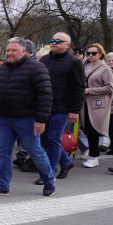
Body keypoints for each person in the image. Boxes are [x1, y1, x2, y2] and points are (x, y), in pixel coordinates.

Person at [0, 38, 56, 196]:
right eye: (8, 50)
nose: (9, 53)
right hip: (5, 119)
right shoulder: (2, 69)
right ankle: (1, 184)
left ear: (24, 51)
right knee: (2, 152)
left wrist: (41, 120)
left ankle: (49, 180)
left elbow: (45, 95)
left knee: (35, 151)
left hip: (27, 119)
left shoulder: (37, 68)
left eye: (13, 50)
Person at [39, 33, 85, 179]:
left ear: (67, 45)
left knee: (54, 139)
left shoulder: (73, 62)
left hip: (62, 107)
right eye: (52, 40)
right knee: (44, 140)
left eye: (58, 41)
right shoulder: (45, 59)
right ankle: (65, 161)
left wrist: (74, 110)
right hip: (44, 107)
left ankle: (49, 173)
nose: (54, 43)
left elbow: (79, 88)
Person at [79, 44, 113, 168]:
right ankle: (92, 154)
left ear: (100, 54)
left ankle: (94, 156)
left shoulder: (105, 68)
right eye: (89, 53)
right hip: (84, 103)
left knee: (93, 129)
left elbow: (110, 87)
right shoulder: (84, 65)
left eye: (94, 53)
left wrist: (90, 90)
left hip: (97, 103)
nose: (90, 55)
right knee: (86, 129)